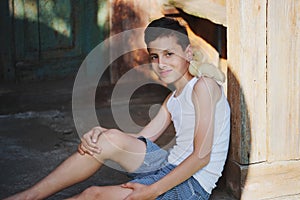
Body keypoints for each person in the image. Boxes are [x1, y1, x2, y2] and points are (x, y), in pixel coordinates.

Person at [5, 17, 230, 200]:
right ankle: (29, 196)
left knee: (92, 195)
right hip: (167, 166)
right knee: (107, 140)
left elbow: (202, 157)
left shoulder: (204, 86)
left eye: (169, 54)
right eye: (155, 56)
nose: (161, 64)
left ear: (188, 53)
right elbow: (141, 138)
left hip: (191, 186)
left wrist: (151, 191)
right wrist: (100, 134)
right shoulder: (173, 98)